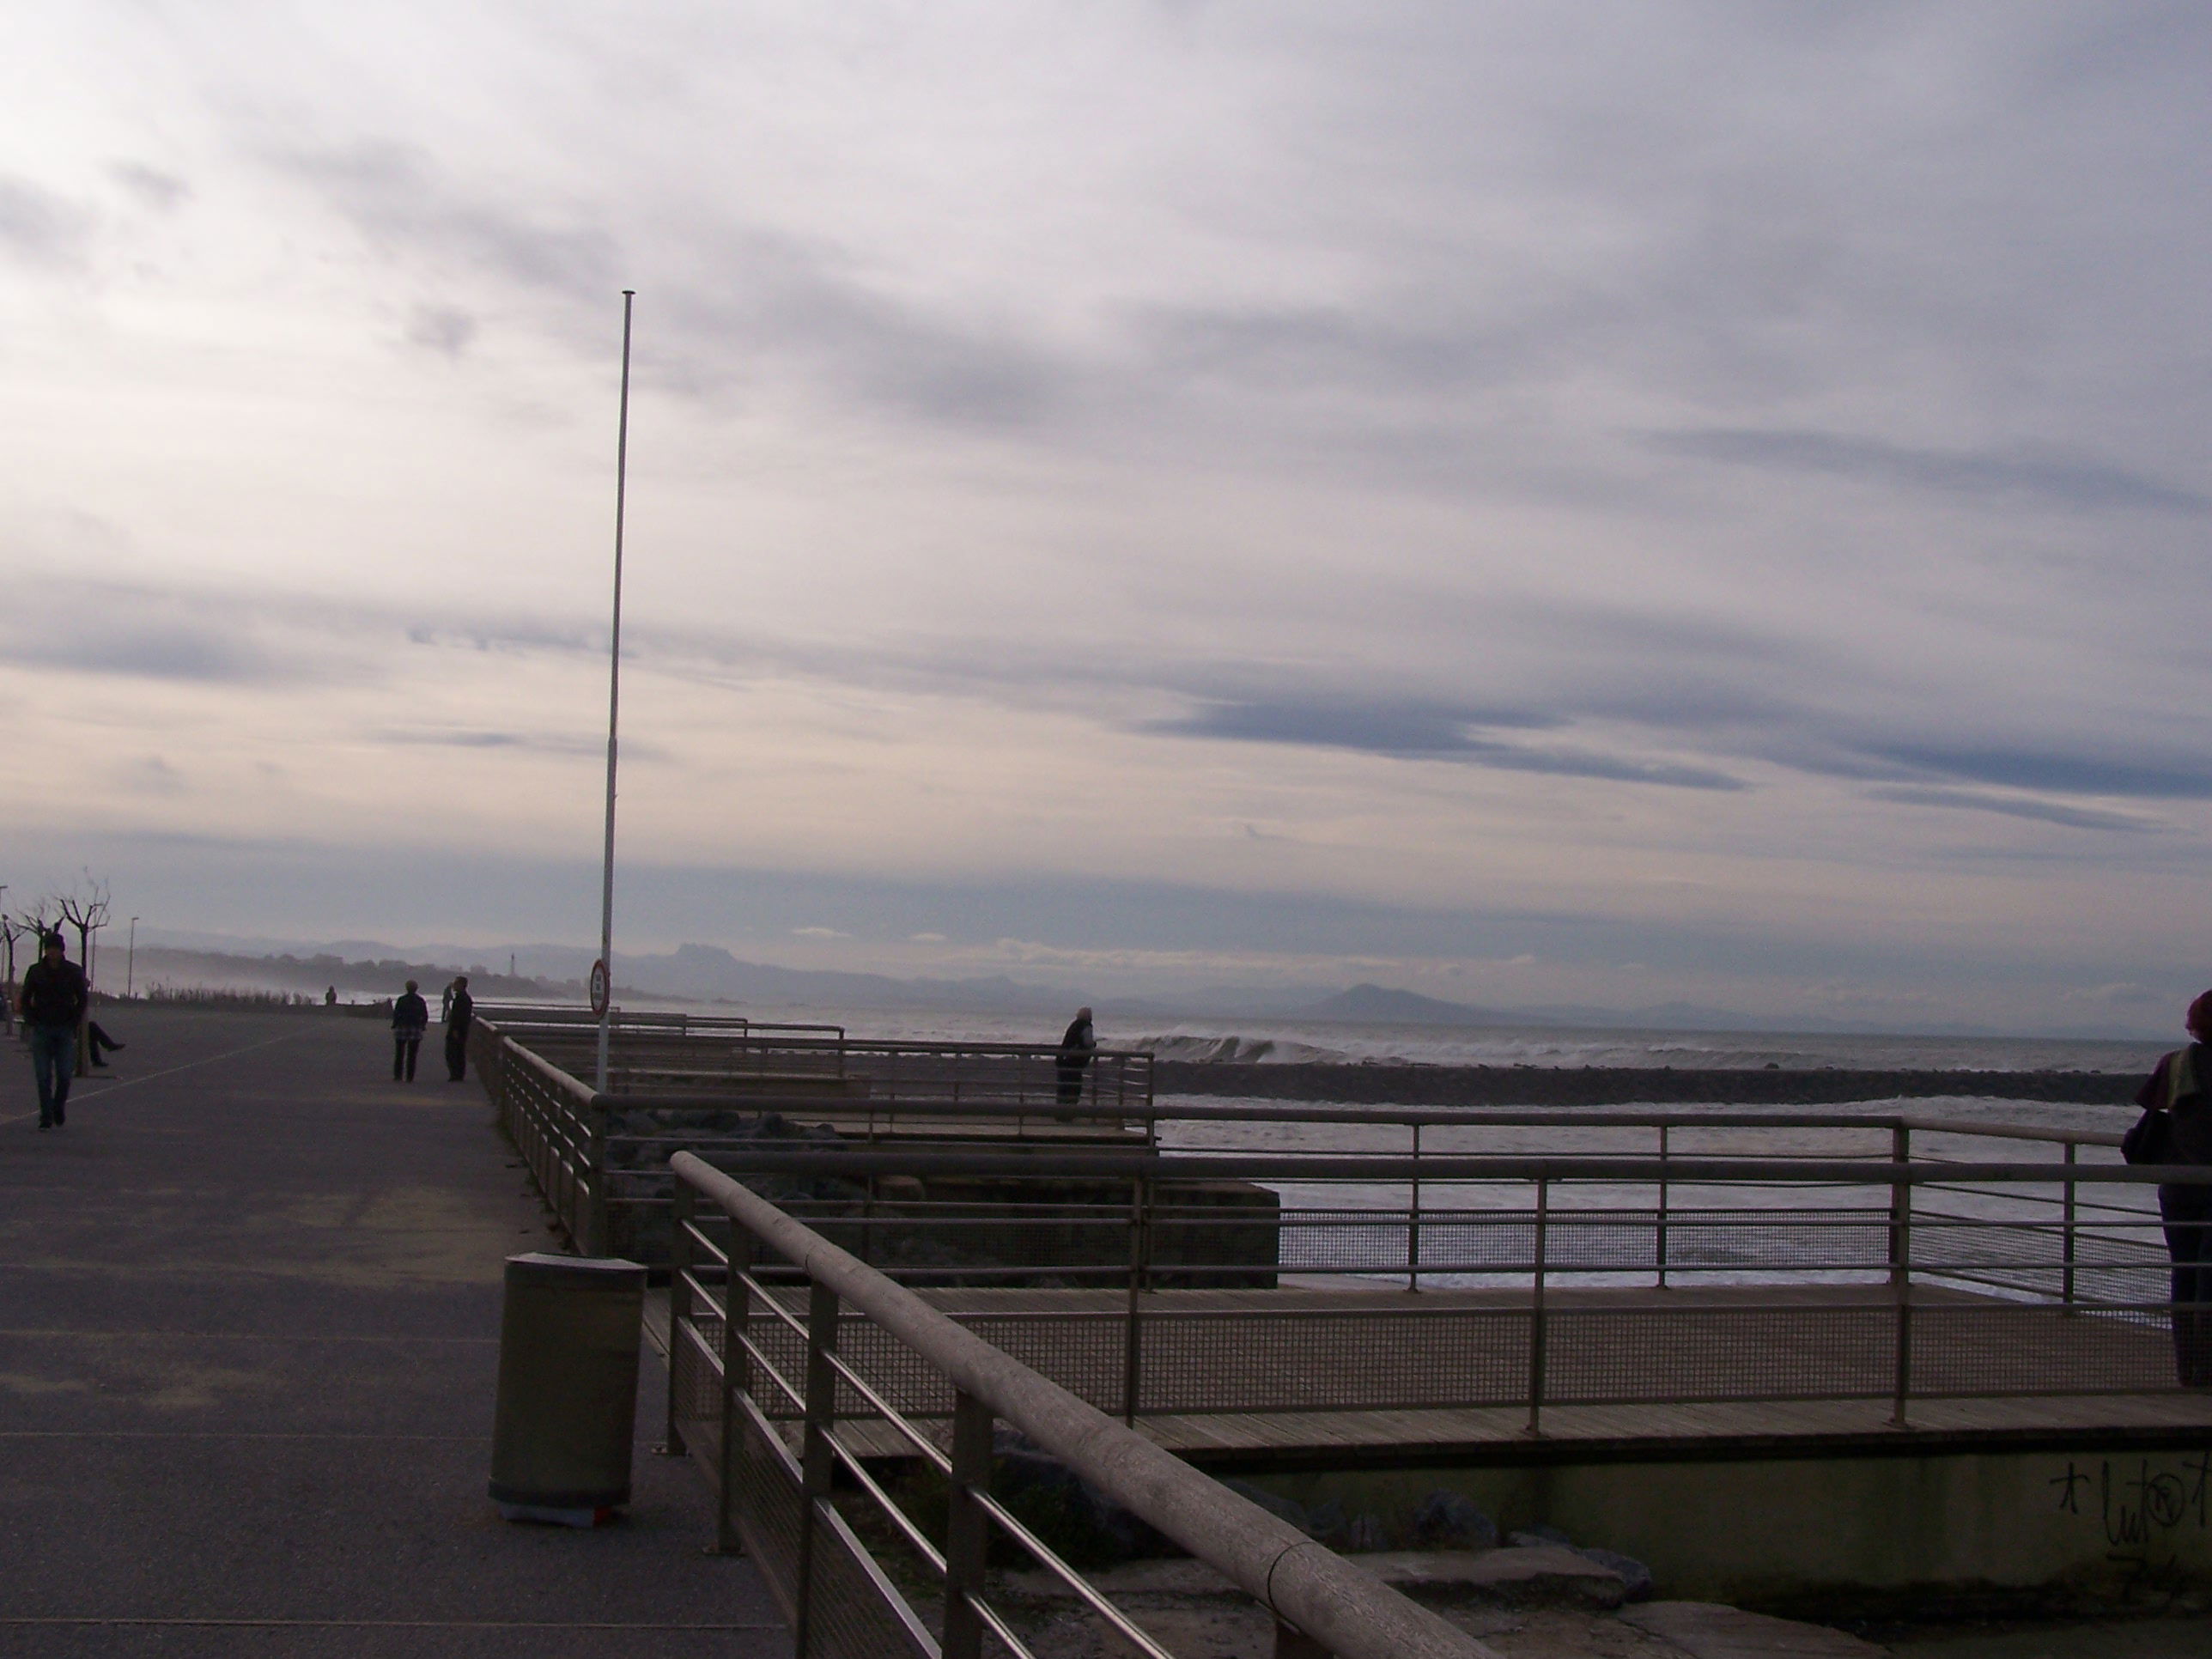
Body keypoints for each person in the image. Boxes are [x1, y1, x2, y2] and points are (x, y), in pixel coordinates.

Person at [2129, 990, 2212, 1386]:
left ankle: (2189, 1368)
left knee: (2183, 1272)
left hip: (2179, 1186)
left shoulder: (2175, 1064)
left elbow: (2152, 1114)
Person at [20, 933, 88, 1130]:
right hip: (42, 1028)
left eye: (55, 948)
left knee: (65, 1074)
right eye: (49, 948)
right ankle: (46, 1115)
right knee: (43, 1076)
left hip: (64, 1029)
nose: (52, 952)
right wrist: (31, 1019)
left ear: (62, 950)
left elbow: (82, 998)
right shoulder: (36, 971)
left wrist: (73, 1021)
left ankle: (58, 1105)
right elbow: (26, 998)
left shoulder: (73, 972)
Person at [1055, 1005, 1096, 1110]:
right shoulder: (1086, 1026)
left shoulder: (1074, 1025)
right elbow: (1087, 1043)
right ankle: (1070, 1111)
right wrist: (1093, 1045)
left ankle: (1060, 1112)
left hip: (1063, 1060)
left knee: (1063, 1088)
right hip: (1074, 1062)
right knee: (1074, 1087)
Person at [392, 980, 428, 1082]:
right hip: (415, 1028)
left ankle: (398, 1075)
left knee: (399, 1053)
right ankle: (410, 1076)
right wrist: (422, 1025)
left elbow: (396, 1013)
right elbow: (425, 1015)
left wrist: (395, 1024)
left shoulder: (402, 999)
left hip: (402, 1027)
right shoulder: (420, 1000)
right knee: (412, 1054)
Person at [443, 974, 474, 1082]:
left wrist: (455, 1029)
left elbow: (460, 1016)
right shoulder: (464, 997)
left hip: (457, 1029)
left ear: (461, 985)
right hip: (461, 1028)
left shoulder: (462, 998)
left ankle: (456, 1074)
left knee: (453, 1052)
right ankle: (458, 1074)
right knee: (458, 1052)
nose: (453, 985)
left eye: (456, 983)